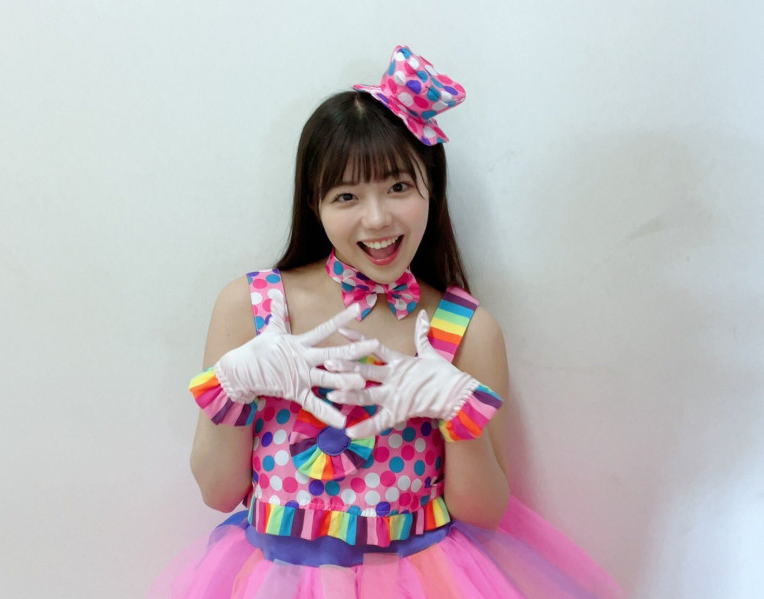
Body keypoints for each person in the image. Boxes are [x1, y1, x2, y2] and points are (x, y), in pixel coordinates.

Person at [149, 45, 624, 599]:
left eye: (398, 187)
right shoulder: (252, 307)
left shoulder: (465, 328)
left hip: (420, 576)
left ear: (431, 187)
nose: (376, 219)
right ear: (314, 205)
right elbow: (217, 491)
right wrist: (232, 385)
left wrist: (457, 412)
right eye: (346, 196)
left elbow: (484, 510)